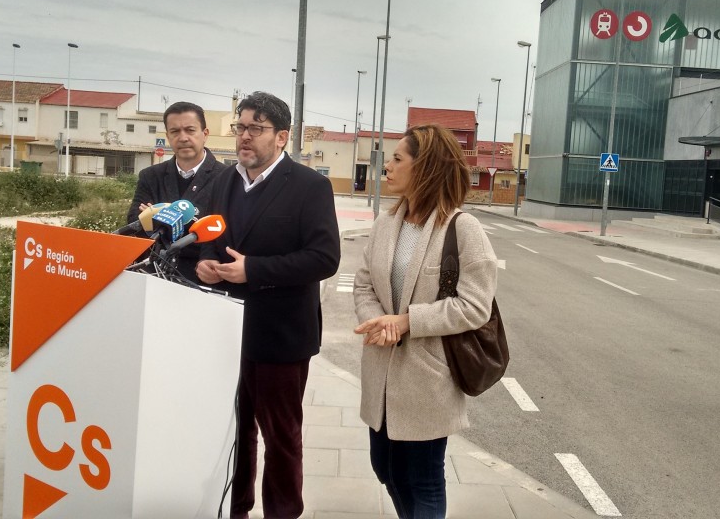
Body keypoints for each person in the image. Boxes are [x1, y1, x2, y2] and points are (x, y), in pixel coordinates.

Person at [195, 91, 340, 519]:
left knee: (281, 437)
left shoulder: (310, 186)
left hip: (282, 335)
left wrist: (253, 270)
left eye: (255, 128)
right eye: (240, 127)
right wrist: (204, 263)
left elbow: (324, 258)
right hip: (227, 331)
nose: (244, 136)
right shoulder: (223, 181)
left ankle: (282, 512)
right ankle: (235, 507)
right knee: (235, 430)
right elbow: (209, 238)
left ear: (281, 136)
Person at [352, 124, 498, 518]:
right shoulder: (386, 224)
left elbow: (475, 305)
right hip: (381, 374)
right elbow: (363, 284)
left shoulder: (462, 228)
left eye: (398, 159)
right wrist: (379, 322)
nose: (387, 166)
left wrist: (407, 322)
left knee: (424, 480)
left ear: (426, 167)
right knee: (386, 469)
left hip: (427, 378)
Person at [127, 101, 226, 280]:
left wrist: (158, 217)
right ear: (168, 136)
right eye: (175, 131)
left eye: (190, 130)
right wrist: (192, 225)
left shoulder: (227, 177)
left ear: (205, 134)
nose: (183, 138)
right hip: (154, 274)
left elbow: (224, 234)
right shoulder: (150, 176)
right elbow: (135, 224)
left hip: (202, 277)